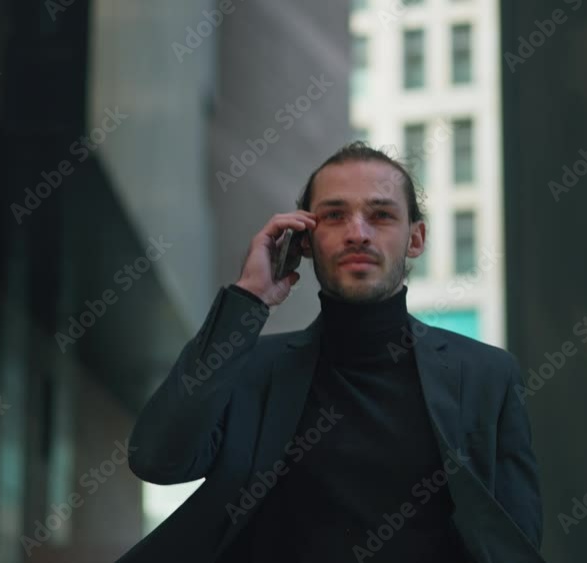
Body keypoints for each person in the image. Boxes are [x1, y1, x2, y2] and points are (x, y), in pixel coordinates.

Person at [118, 142, 544, 563]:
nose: (358, 233)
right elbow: (158, 460)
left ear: (416, 238)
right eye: (335, 216)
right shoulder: (253, 369)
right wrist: (248, 299)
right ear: (304, 240)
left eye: (380, 215)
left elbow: (515, 541)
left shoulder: (486, 375)